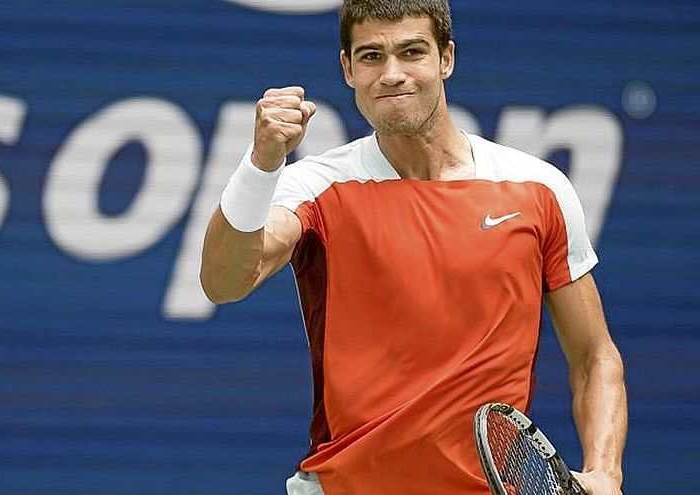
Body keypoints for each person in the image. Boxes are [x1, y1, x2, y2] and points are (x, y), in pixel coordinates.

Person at [200, 1, 627, 494]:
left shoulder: (537, 188)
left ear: (446, 58)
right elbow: (223, 282)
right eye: (372, 57)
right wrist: (261, 164)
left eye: (412, 52)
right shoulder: (314, 186)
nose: (392, 74)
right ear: (347, 69)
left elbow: (595, 356)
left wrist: (604, 470)